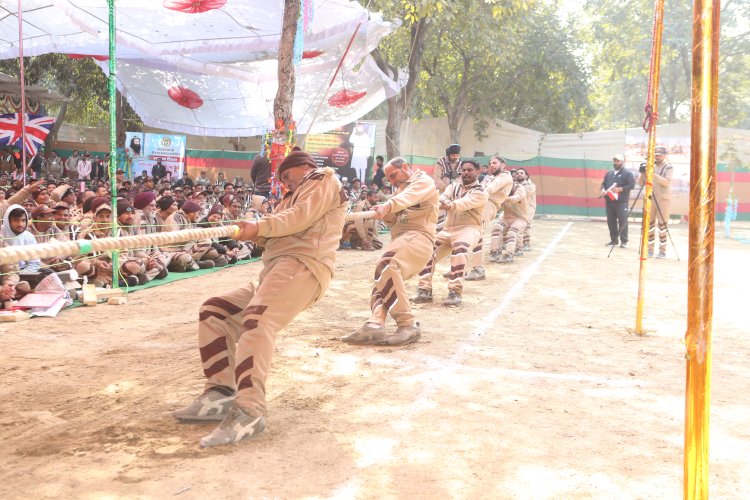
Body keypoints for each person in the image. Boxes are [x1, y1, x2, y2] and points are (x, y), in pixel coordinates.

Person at [173, 150, 347, 448]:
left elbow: (298, 217)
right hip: (276, 269)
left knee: (257, 320)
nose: (287, 186)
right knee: (216, 311)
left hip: (302, 265)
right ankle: (220, 393)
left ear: (304, 167)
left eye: (288, 179)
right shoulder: (291, 196)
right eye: (283, 182)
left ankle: (249, 410)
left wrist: (261, 226)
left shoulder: (322, 179)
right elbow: (279, 227)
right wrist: (252, 231)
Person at [342, 157, 439, 345]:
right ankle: (375, 324)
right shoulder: (401, 190)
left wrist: (388, 205)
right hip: (404, 239)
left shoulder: (423, 181)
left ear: (405, 167)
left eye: (393, 176)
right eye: (389, 179)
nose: (392, 182)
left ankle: (407, 325)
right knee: (384, 279)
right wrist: (386, 214)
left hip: (419, 237)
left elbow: (406, 199)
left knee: (386, 264)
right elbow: (394, 219)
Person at [413, 160, 488, 306]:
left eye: (470, 170)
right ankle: (424, 290)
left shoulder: (481, 191)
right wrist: (439, 202)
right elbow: (442, 198)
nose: (466, 173)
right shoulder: (454, 186)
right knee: (426, 250)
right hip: (448, 230)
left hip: (468, 229)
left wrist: (450, 204)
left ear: (477, 172)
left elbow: (465, 203)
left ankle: (455, 292)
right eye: (464, 170)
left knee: (460, 249)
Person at [465, 156, 513, 281]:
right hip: (478, 202)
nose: (492, 165)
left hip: (489, 205)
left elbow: (491, 188)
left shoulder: (505, 177)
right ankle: (462, 266)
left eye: (495, 163)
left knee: (477, 233)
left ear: (503, 165)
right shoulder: (490, 176)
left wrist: (475, 194)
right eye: (490, 163)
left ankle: (478, 269)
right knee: (467, 232)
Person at [638, 146, 673, 258]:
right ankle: (650, 249)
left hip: (663, 199)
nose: (657, 157)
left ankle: (662, 251)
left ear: (664, 155)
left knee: (662, 225)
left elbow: (666, 182)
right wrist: (643, 173)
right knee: (650, 225)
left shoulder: (668, 166)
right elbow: (640, 183)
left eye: (659, 155)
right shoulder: (650, 165)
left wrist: (652, 174)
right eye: (656, 155)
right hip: (650, 198)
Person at [490, 176, 528, 264]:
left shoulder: (520, 188)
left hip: (520, 218)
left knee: (512, 231)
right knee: (496, 228)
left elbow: (517, 198)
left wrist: (501, 199)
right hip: (506, 218)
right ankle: (495, 252)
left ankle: (509, 254)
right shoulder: (502, 190)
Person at [601, 154, 635, 248]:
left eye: (618, 161)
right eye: (615, 161)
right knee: (611, 221)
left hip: (621, 202)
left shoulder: (627, 173)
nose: (616, 163)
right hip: (609, 201)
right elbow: (603, 184)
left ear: (622, 162)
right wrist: (603, 190)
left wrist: (620, 189)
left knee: (622, 220)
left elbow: (631, 185)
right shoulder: (609, 173)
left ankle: (624, 241)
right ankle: (614, 240)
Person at [515, 168, 537, 251]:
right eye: (517, 173)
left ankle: (526, 243)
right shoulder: (514, 185)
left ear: (526, 176)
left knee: (526, 224)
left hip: (529, 207)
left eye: (521, 173)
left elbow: (524, 194)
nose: (519, 174)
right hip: (517, 208)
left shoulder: (531, 185)